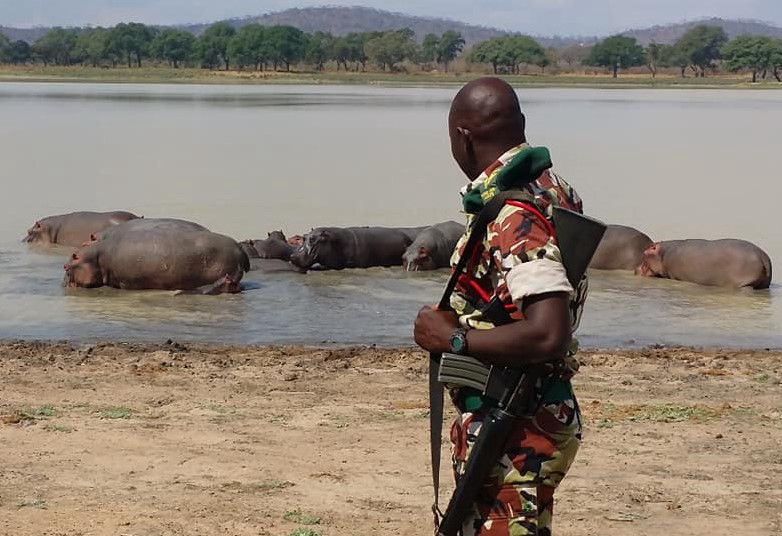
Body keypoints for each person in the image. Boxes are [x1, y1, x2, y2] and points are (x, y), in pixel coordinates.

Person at [414, 77, 587, 536]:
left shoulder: (514, 213)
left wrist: (451, 337)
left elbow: (549, 332)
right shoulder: (553, 188)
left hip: (515, 423)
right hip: (534, 411)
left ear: (463, 137)